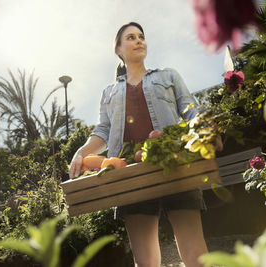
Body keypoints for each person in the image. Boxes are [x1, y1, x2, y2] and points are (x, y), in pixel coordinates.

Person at [69, 22, 222, 267]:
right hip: (129, 171)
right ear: (118, 49)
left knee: (196, 256)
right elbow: (103, 131)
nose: (139, 40)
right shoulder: (108, 92)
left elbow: (190, 110)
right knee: (146, 262)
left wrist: (206, 130)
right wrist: (81, 152)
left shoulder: (168, 75)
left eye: (141, 36)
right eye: (130, 37)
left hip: (173, 161)